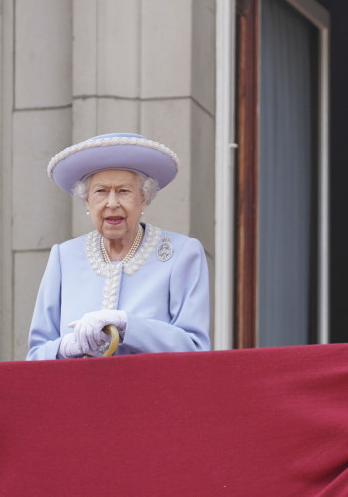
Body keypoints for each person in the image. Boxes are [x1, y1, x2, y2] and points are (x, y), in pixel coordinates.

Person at [27, 133, 210, 359]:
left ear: (144, 198)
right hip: (78, 392)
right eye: (100, 191)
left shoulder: (182, 253)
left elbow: (195, 348)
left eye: (123, 191)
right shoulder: (64, 257)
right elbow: (35, 355)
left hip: (150, 392)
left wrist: (126, 324)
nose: (112, 203)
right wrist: (64, 348)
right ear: (86, 201)